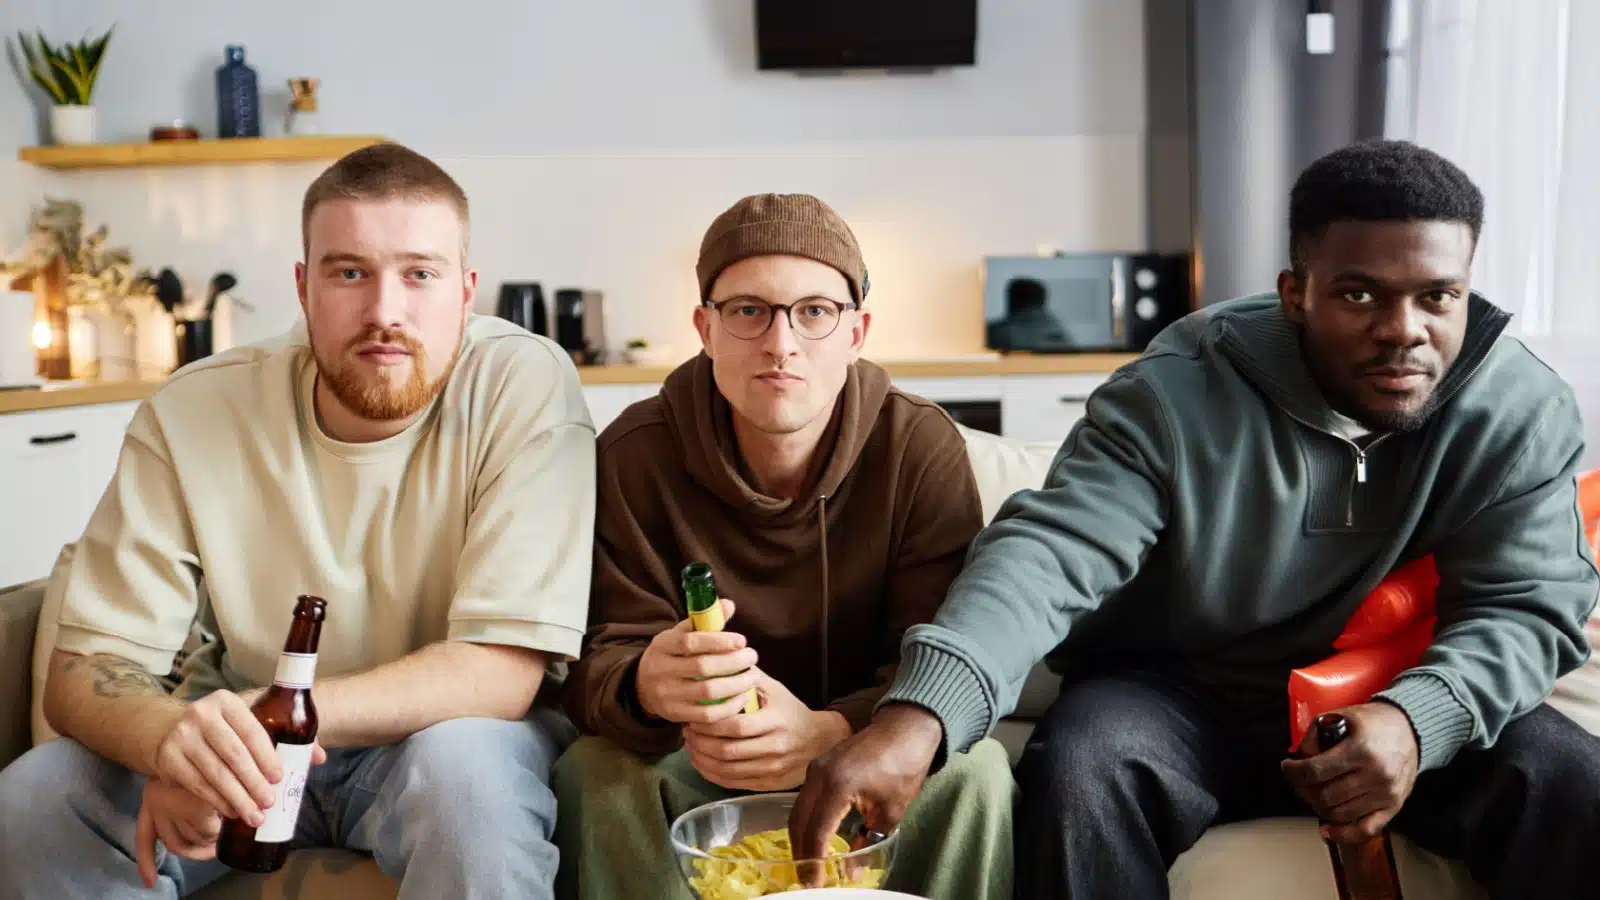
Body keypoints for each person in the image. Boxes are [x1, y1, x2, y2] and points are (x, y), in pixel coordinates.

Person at [790, 138, 1600, 899]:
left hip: (1389, 691)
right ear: (1296, 294)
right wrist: (915, 715)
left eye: (1438, 297)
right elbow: (1053, 550)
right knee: (1082, 771)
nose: (1404, 331)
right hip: (1179, 693)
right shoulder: (1174, 388)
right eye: (1359, 294)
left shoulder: (1516, 408)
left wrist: (1418, 719)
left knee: (1567, 777)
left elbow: (1525, 605)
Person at [0, 142, 597, 899]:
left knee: (467, 782)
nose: (385, 311)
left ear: (467, 291)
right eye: (349, 272)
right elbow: (83, 668)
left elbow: (499, 670)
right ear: (303, 286)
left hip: (438, 741)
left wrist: (251, 729)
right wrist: (174, 743)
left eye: (420, 273)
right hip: (240, 738)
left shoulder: (524, 382)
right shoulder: (196, 408)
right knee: (37, 795)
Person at [553, 193, 1015, 900]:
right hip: (701, 754)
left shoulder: (919, 448)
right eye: (748, 311)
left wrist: (831, 731)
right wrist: (644, 684)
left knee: (978, 772)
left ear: (857, 331)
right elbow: (587, 666)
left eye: (814, 311)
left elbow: (946, 654)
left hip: (867, 741)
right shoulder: (635, 454)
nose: (780, 343)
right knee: (596, 771)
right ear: (704, 328)